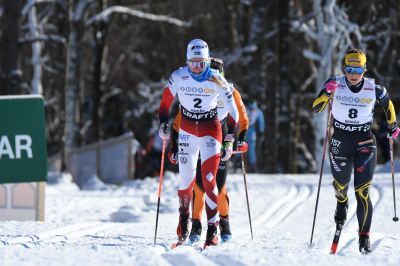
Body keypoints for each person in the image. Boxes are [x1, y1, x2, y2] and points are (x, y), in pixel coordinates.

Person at [312, 48, 400, 254]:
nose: (353, 74)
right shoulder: (335, 83)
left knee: (363, 191)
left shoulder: (374, 88)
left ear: (364, 70)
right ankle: (341, 201)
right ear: (345, 69)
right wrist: (326, 93)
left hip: (364, 142)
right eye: (349, 69)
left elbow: (389, 107)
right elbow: (316, 107)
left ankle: (364, 237)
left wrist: (393, 125)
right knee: (341, 185)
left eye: (358, 70)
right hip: (340, 141)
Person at [158, 39, 239, 247]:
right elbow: (165, 103)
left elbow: (235, 113)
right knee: (186, 183)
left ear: (207, 61)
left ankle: (212, 230)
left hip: (211, 130)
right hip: (186, 132)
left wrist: (230, 139)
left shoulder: (217, 79)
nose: (197, 68)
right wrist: (163, 123)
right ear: (187, 61)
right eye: (193, 62)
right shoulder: (179, 76)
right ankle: (184, 219)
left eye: (201, 63)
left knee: (210, 179)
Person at [246, 100, 265, 172]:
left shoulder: (247, 108)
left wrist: (261, 131)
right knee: (251, 149)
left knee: (248, 148)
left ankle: (252, 165)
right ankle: (252, 165)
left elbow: (261, 121)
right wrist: (261, 130)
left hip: (248, 130)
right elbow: (261, 121)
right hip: (248, 130)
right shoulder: (257, 111)